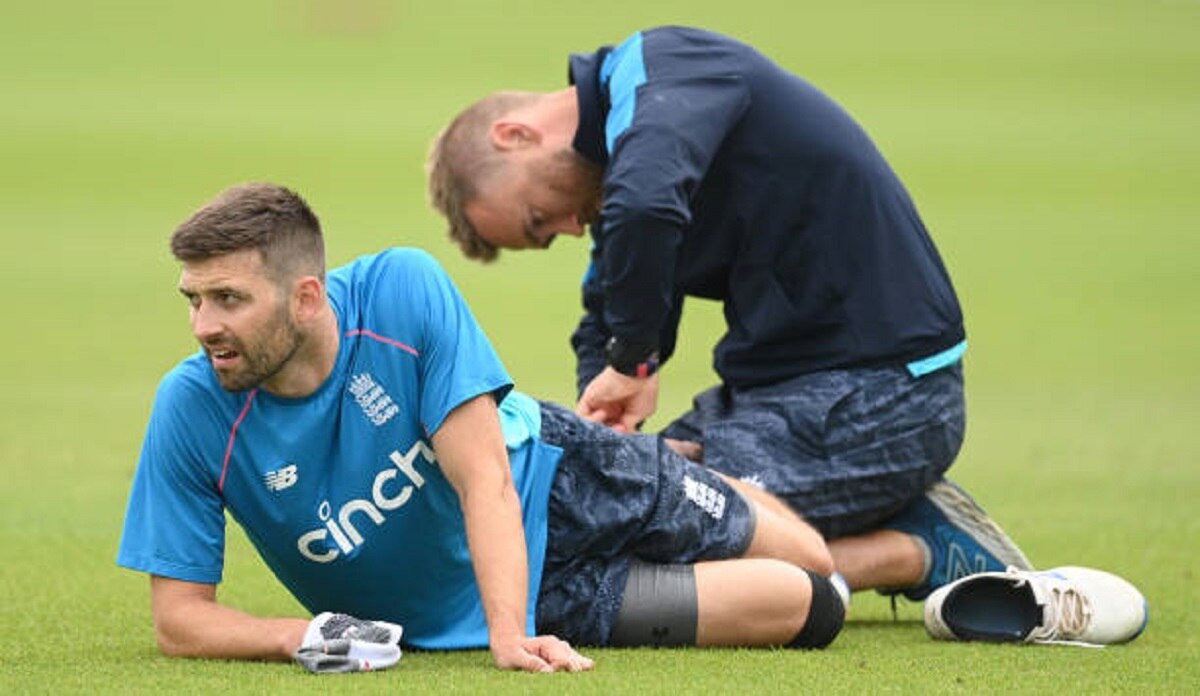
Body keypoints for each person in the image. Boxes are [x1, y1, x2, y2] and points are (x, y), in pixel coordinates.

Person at [116, 182, 846, 675]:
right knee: (810, 606)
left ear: (306, 298)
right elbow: (179, 620)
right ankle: (743, 492)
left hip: (565, 477)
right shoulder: (191, 408)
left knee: (813, 557)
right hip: (542, 595)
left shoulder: (401, 289)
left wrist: (506, 635)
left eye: (228, 300)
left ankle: (727, 478)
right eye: (194, 299)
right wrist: (298, 635)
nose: (204, 327)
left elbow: (486, 477)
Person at [426, 25, 1033, 604]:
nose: (572, 226)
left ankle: (915, 548)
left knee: (658, 546)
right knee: (616, 506)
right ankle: (882, 511)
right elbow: (607, 309)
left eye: (540, 218)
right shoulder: (627, 160)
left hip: (887, 396)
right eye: (550, 235)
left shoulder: (661, 69)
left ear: (515, 134)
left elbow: (645, 209)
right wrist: (607, 430)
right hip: (780, 401)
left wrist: (635, 362)